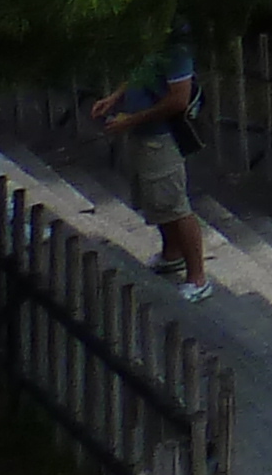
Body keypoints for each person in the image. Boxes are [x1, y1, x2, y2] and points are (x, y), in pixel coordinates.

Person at [90, 34, 212, 304]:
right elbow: (141, 72)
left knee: (175, 205)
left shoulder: (176, 48)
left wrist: (130, 120)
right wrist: (115, 97)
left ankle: (198, 278)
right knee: (154, 199)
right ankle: (172, 253)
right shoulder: (151, 34)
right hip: (141, 135)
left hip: (161, 138)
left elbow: (178, 100)